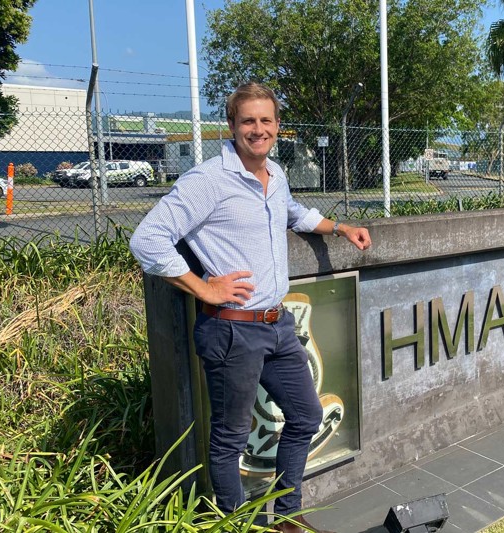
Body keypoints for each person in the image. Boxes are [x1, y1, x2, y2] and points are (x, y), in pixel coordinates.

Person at [130, 82, 371, 533]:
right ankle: (239, 525)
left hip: (276, 323)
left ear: (278, 127)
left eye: (266, 121)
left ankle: (285, 517)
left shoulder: (275, 175)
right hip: (231, 330)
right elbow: (147, 240)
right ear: (232, 126)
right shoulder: (208, 181)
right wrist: (202, 287)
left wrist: (341, 227)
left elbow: (294, 213)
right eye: (248, 122)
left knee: (306, 415)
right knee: (231, 439)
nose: (257, 130)